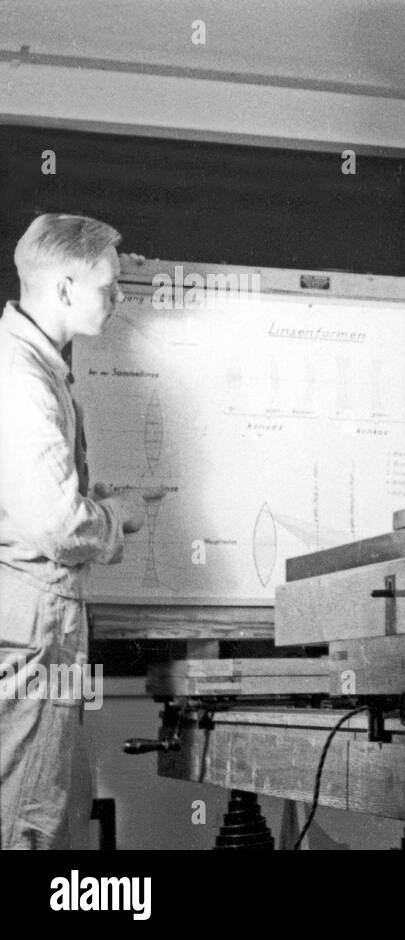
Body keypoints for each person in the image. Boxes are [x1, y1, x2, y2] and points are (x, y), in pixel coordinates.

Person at [0, 213, 162, 848]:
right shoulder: (20, 378)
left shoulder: (35, 366)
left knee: (53, 807)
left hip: (42, 628)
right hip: (33, 633)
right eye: (109, 287)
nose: (121, 299)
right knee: (27, 820)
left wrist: (98, 500)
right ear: (65, 288)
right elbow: (59, 526)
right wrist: (118, 515)